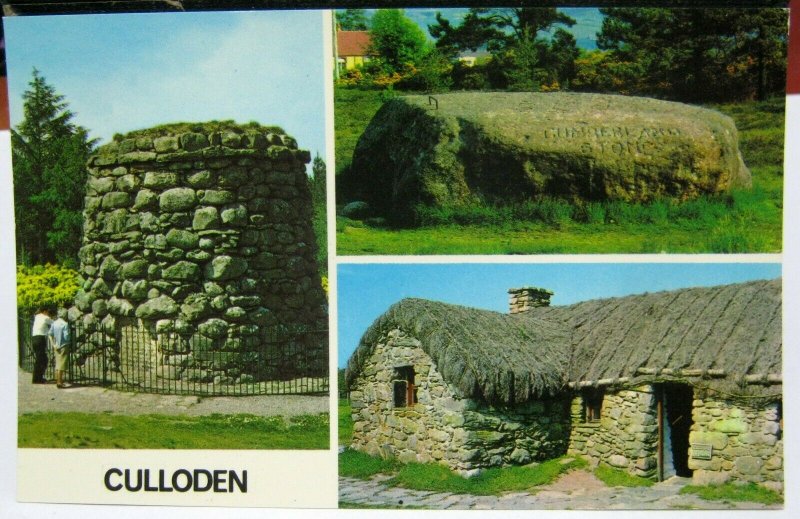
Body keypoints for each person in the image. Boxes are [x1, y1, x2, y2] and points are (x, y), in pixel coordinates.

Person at [48, 308, 71, 389]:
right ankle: (59, 382)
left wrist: (53, 344)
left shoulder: (54, 323)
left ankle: (59, 381)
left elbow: (50, 334)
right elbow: (66, 336)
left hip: (56, 345)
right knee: (61, 365)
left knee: (58, 364)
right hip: (64, 345)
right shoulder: (65, 324)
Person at [31, 308, 53, 384]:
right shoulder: (45, 317)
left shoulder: (37, 316)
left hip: (34, 338)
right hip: (40, 338)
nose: (48, 313)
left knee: (40, 359)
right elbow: (53, 323)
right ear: (45, 311)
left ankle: (38, 377)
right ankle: (37, 379)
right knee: (41, 360)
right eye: (48, 312)